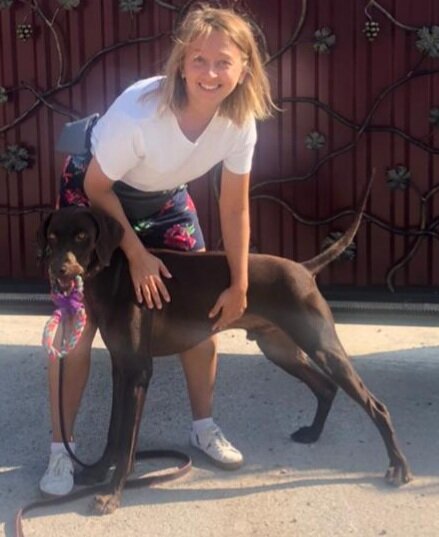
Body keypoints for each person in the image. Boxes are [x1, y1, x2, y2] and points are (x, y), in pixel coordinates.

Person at [39, 3, 274, 496]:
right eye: (199, 60)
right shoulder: (140, 111)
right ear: (181, 63)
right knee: (76, 326)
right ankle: (62, 450)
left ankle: (203, 425)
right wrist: (136, 254)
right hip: (94, 195)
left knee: (203, 315)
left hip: (162, 199)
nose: (210, 73)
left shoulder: (240, 121)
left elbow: (234, 206)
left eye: (223, 62)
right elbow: (98, 186)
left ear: (244, 68)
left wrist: (239, 282)